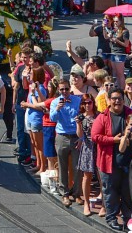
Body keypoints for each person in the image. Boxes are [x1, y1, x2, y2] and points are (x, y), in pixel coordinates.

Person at [92, 88, 132, 231]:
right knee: (111, 191)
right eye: (114, 98)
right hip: (109, 161)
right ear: (109, 100)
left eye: (120, 98)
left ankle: (128, 218)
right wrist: (113, 140)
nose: (117, 101)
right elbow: (95, 136)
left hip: (129, 161)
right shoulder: (103, 116)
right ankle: (112, 217)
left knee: (127, 191)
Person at [49, 79, 82, 207]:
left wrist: (81, 137)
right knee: (62, 166)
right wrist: (57, 109)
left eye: (66, 89)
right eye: (62, 89)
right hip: (62, 136)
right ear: (58, 90)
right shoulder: (55, 102)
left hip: (75, 136)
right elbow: (52, 118)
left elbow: (82, 117)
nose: (64, 92)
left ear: (70, 89)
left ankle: (77, 193)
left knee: (77, 166)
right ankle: (65, 193)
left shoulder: (77, 101)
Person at [75, 94, 99, 217]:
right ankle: (86, 203)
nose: (87, 105)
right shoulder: (81, 117)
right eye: (85, 103)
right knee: (86, 176)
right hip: (87, 146)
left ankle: (104, 205)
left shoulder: (98, 115)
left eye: (89, 102)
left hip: (99, 146)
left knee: (101, 177)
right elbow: (80, 135)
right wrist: (78, 124)